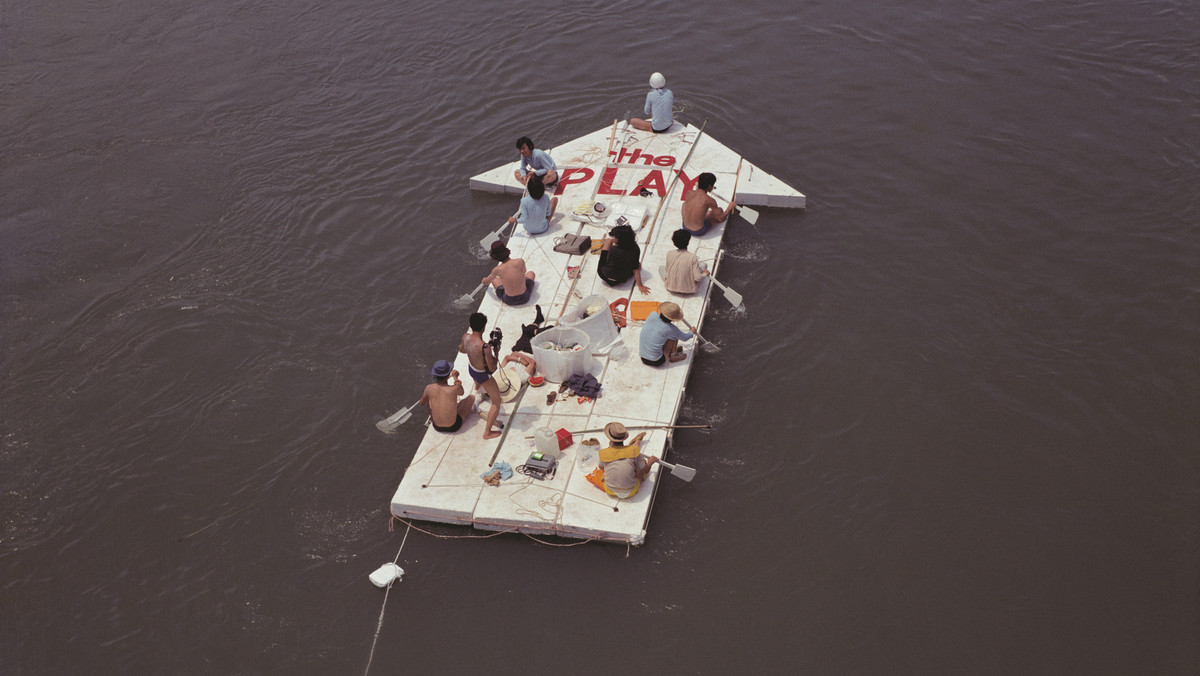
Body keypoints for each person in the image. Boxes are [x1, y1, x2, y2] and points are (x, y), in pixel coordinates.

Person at [459, 312, 503, 439]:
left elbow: (462, 350)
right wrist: (497, 353)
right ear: (484, 327)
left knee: (477, 379)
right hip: (483, 375)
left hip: (471, 369)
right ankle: (487, 432)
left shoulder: (465, 337)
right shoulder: (485, 347)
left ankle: (477, 387)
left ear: (469, 325)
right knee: (496, 401)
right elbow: (492, 368)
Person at [597, 422, 658, 498]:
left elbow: (601, 467)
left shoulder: (604, 453)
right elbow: (645, 470)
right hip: (630, 491)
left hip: (609, 490)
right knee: (641, 465)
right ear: (623, 438)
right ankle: (637, 442)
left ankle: (636, 442)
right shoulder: (635, 452)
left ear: (610, 440)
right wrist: (650, 463)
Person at [419, 360, 475, 434]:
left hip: (436, 426)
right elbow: (461, 392)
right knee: (471, 398)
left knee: (429, 399)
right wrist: (455, 377)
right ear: (448, 375)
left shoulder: (428, 388)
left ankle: (435, 416)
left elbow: (421, 403)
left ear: (435, 375)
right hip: (453, 426)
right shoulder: (454, 389)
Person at [597, 224, 650, 295]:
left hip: (604, 276)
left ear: (620, 240)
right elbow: (635, 269)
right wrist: (640, 285)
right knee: (638, 265)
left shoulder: (613, 250)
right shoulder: (635, 249)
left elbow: (607, 261)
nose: (613, 238)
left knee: (608, 241)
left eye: (615, 237)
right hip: (621, 279)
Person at [638, 301, 693, 366]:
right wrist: (692, 332)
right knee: (674, 337)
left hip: (643, 357)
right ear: (673, 319)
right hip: (656, 360)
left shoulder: (652, 315)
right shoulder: (671, 329)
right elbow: (685, 338)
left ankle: (669, 351)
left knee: (663, 335)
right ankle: (673, 355)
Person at [682, 172, 736, 236]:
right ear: (709, 186)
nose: (713, 187)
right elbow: (721, 219)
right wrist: (730, 207)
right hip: (698, 231)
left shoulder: (689, 193)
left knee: (684, 204)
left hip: (684, 227)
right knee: (719, 210)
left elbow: (697, 197)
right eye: (713, 185)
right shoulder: (710, 200)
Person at [483, 241, 536, 306]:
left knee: (494, 279)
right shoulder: (520, 261)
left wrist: (484, 280)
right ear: (507, 251)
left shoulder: (496, 269)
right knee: (531, 273)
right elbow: (524, 271)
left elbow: (487, 282)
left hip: (510, 300)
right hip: (525, 297)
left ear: (495, 257)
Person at [663, 228, 709, 294]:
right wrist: (705, 274)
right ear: (688, 242)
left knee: (661, 268)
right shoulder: (692, 257)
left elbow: (667, 270)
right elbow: (698, 278)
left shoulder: (669, 253)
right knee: (704, 265)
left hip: (670, 287)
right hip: (689, 290)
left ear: (674, 242)